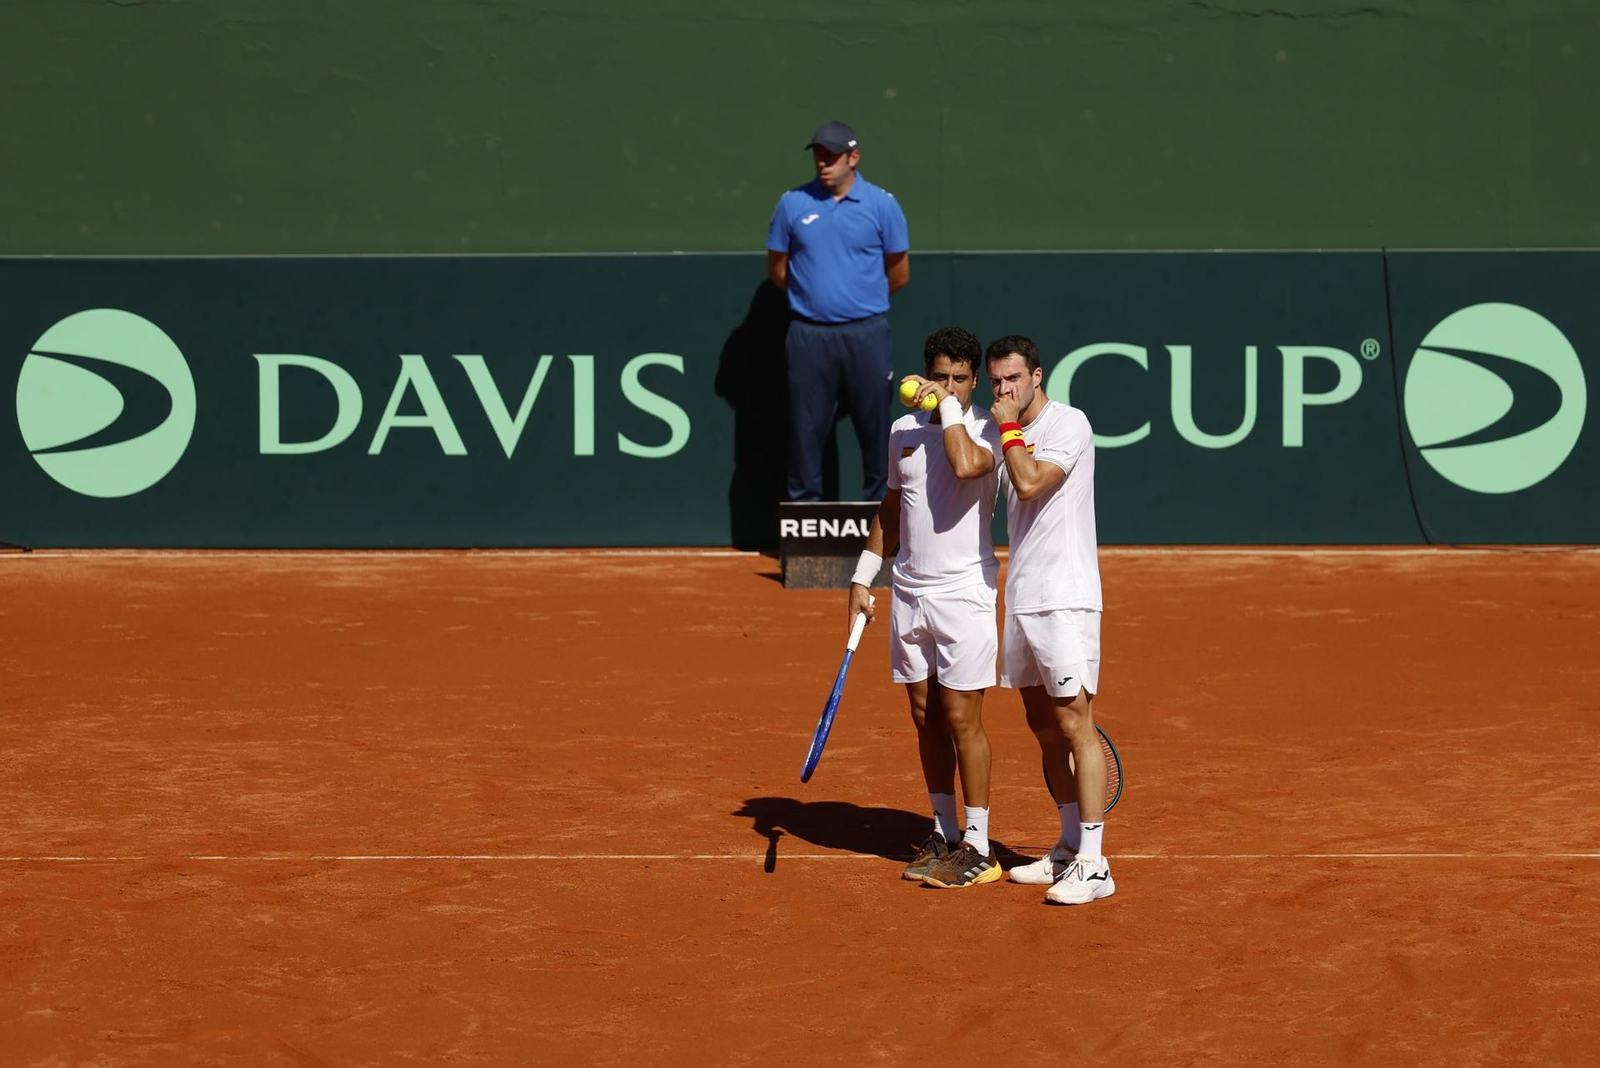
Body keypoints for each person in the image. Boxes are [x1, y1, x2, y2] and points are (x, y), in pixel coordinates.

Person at [847, 326, 1004, 889]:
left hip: (965, 594)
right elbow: (892, 510)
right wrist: (863, 576)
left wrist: (948, 409)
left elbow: (963, 466)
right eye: (940, 377)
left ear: (974, 381)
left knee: (962, 718)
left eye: (960, 379)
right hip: (909, 593)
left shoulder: (990, 430)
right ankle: (943, 831)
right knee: (924, 715)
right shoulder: (903, 431)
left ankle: (979, 845)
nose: (948, 388)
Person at [985, 334, 1115, 906]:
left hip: (1065, 597)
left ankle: (1095, 862)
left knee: (1073, 724)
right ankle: (1067, 846)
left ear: (1037, 376)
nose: (1005, 390)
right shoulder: (1000, 429)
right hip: (1022, 597)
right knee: (1041, 726)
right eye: (996, 382)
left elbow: (1031, 482)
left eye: (1014, 379)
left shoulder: (1069, 423)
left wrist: (1008, 429)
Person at [767, 121, 910, 503]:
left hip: (867, 333)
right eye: (818, 154)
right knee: (805, 430)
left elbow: (899, 272)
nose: (822, 162)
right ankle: (805, 518)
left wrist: (858, 301)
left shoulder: (882, 205)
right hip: (808, 335)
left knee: (875, 428)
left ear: (853, 157)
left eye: (831, 155)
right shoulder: (792, 204)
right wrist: (813, 299)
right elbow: (778, 269)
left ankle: (878, 518)